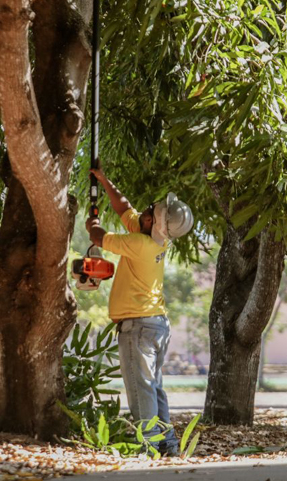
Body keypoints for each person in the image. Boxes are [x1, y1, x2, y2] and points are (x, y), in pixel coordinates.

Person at [85, 166, 194, 456]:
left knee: (140, 388)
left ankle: (148, 447)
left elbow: (98, 237)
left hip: (139, 327)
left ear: (152, 224)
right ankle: (167, 444)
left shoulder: (138, 244)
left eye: (150, 212)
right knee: (153, 387)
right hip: (156, 325)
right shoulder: (157, 239)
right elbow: (125, 208)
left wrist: (92, 221)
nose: (145, 211)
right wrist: (105, 182)